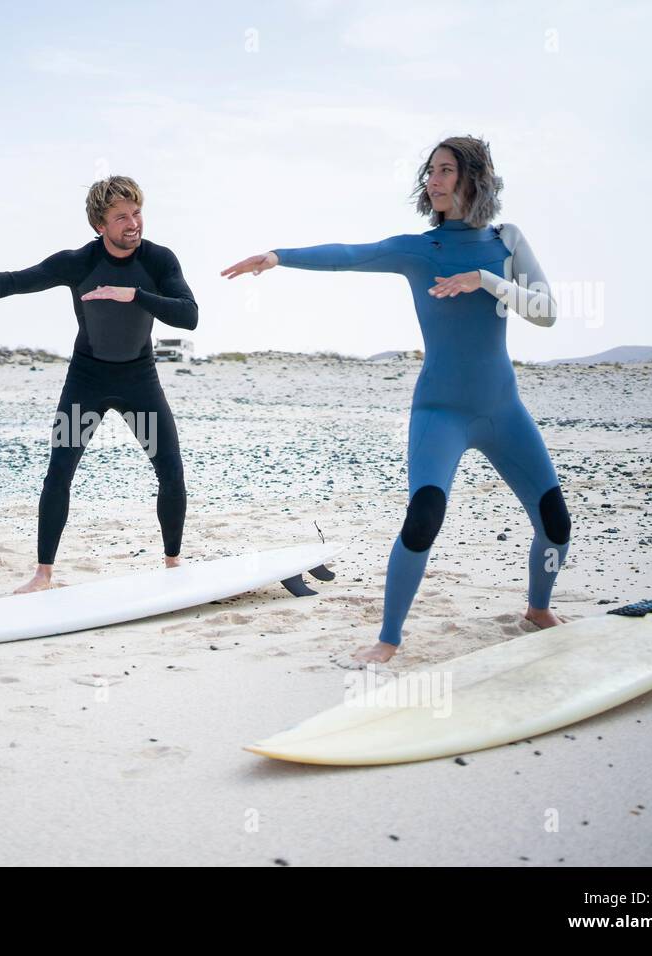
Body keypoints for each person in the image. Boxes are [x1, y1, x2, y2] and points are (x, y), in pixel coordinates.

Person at [221, 136, 570, 662]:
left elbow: (546, 313)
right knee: (424, 516)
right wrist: (278, 256)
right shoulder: (419, 248)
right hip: (440, 412)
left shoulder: (507, 240)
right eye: (431, 170)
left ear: (474, 178)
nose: (434, 179)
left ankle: (538, 608)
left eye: (447, 170)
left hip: (503, 411)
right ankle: (388, 637)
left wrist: (486, 280)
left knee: (555, 522)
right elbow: (349, 256)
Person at [0, 176, 198, 593]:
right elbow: (15, 280)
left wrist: (131, 294)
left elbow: (188, 315)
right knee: (59, 472)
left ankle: (173, 563)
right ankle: (43, 575)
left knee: (170, 471)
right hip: (87, 381)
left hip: (140, 382)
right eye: (121, 217)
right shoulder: (78, 262)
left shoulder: (159, 260)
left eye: (136, 213)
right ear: (100, 225)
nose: (133, 223)